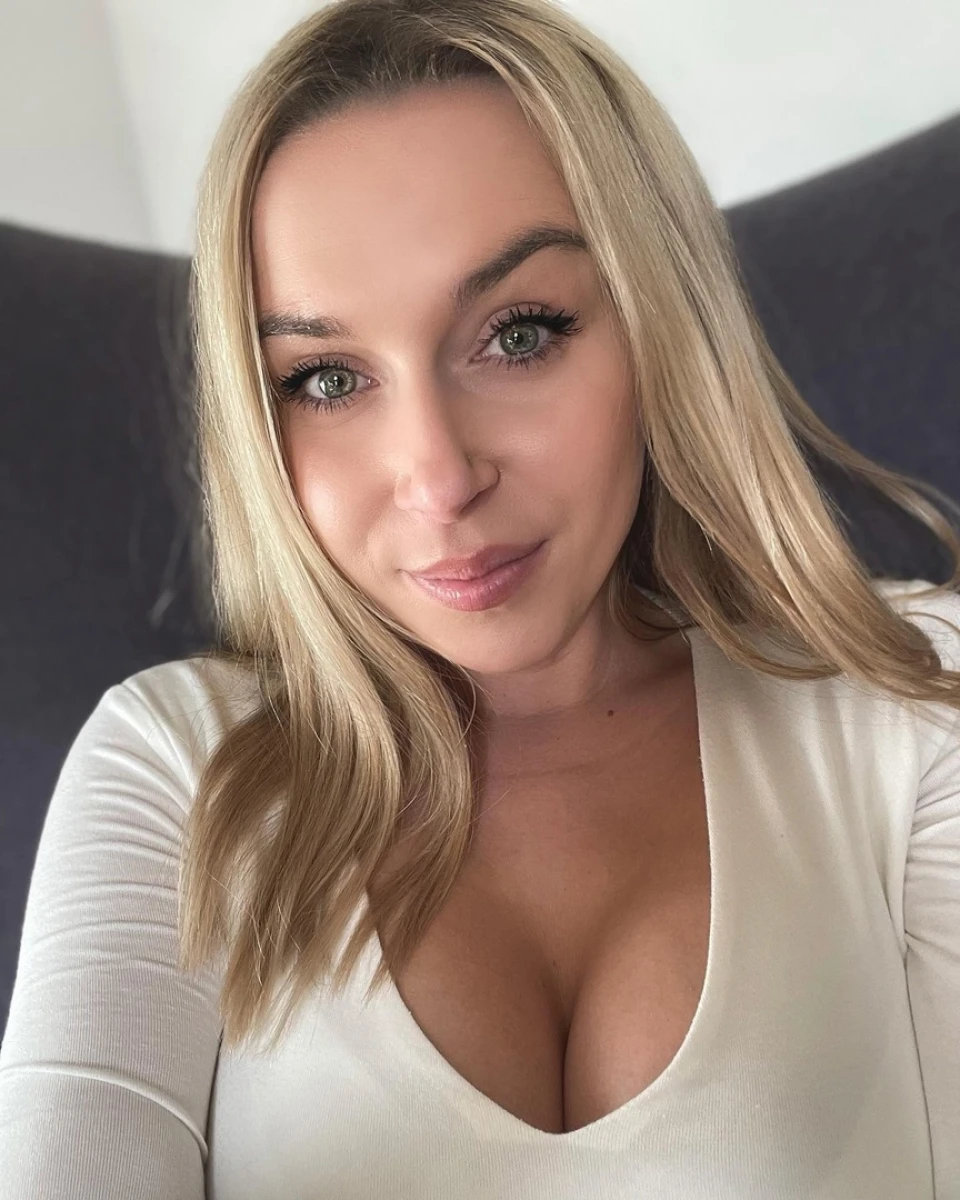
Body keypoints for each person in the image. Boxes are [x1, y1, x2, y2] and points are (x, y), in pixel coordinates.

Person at [1, 0, 959, 1195]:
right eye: (327, 378)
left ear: (661, 321)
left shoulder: (915, 703)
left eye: (519, 335)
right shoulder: (178, 769)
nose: (441, 478)